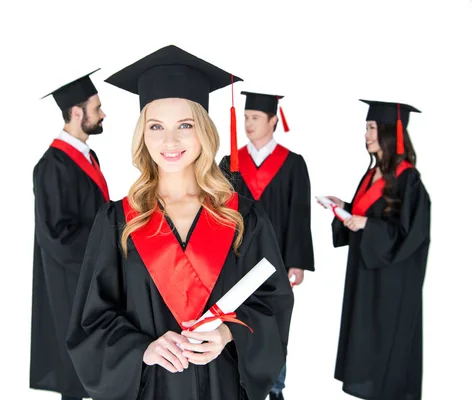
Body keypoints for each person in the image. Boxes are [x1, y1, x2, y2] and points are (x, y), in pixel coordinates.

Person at [65, 45, 294, 400]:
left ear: (203, 131)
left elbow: (272, 302)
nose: (169, 140)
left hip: (224, 385)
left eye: (184, 125)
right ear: (142, 134)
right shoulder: (118, 220)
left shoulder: (241, 217)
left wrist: (228, 334)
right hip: (152, 386)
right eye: (156, 126)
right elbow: (91, 320)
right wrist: (141, 349)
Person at [319, 99, 431, 400]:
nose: (366, 135)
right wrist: (344, 208)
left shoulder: (409, 180)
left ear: (389, 132)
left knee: (387, 348)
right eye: (366, 128)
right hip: (366, 275)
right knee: (367, 345)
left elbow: (413, 235)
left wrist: (367, 224)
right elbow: (370, 216)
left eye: (371, 128)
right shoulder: (372, 174)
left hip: (391, 283)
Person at [219, 91, 314, 400]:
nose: (248, 124)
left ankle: (274, 387)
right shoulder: (230, 164)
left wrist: (297, 262)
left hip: (278, 262)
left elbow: (300, 216)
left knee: (274, 322)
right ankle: (238, 384)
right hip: (237, 261)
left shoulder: (292, 164)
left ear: (274, 120)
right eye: (246, 118)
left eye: (255, 118)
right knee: (238, 322)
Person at [29, 69, 109, 400]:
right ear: (77, 113)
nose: (103, 114)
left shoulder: (87, 155)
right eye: (97, 107)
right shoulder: (51, 166)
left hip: (91, 276)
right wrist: (107, 241)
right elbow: (58, 236)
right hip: (70, 282)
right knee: (74, 366)